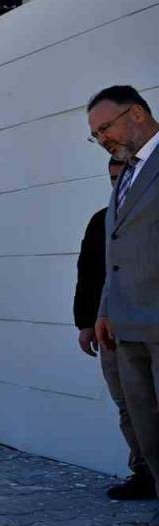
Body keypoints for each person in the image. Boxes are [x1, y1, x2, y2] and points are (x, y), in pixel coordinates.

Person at [89, 85, 159, 526]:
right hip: (127, 327)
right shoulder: (128, 175)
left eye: (105, 128)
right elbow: (115, 252)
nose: (102, 139)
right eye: (94, 135)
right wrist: (104, 309)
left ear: (135, 115)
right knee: (148, 431)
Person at [76, 157, 155, 500]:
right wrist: (85, 322)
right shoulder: (102, 221)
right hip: (109, 330)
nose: (117, 183)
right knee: (128, 404)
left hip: (146, 328)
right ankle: (142, 471)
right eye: (112, 177)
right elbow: (89, 273)